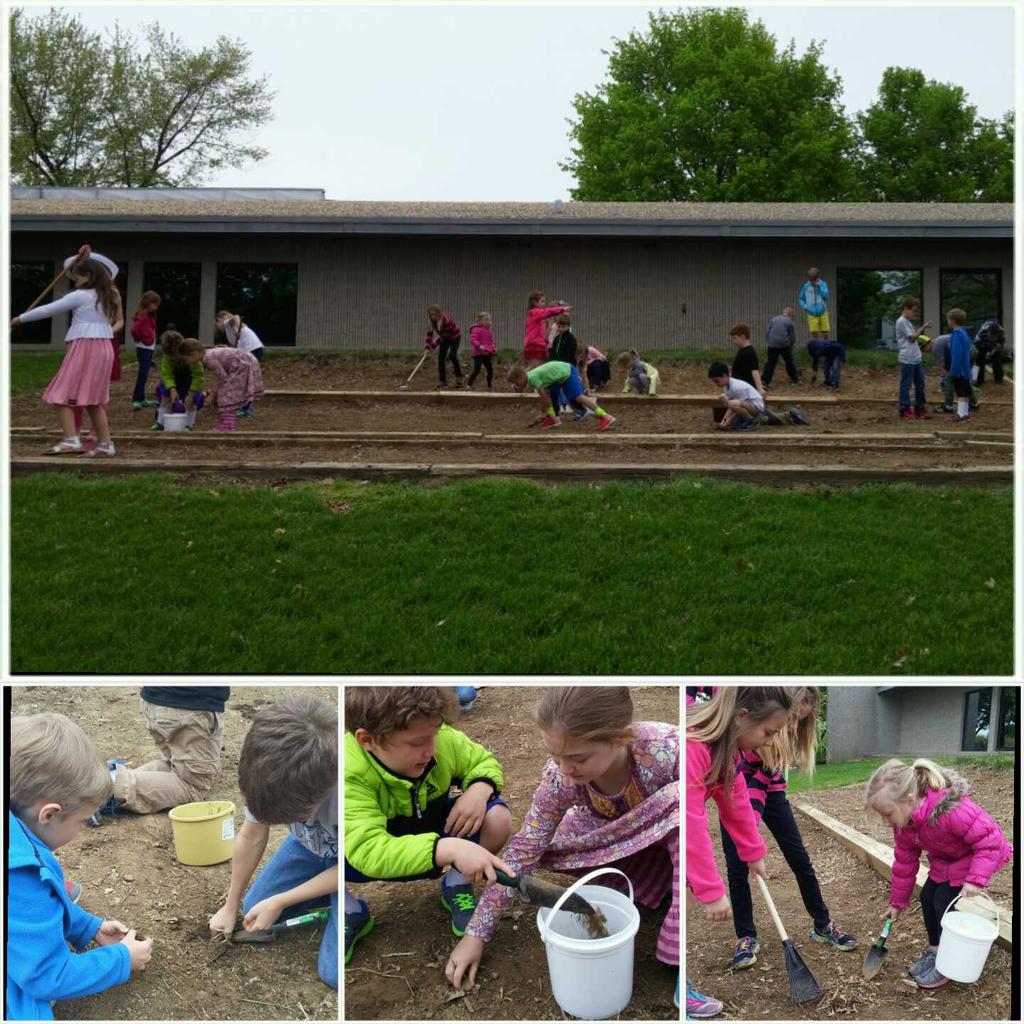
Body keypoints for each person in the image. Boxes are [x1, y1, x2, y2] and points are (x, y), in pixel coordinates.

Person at [449, 687, 680, 1008]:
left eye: (578, 758)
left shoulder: (666, 753)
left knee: (681, 808)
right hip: (622, 836)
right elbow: (524, 851)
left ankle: (679, 955)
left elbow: (697, 818)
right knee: (553, 845)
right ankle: (651, 885)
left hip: (674, 839)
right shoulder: (561, 778)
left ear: (620, 738)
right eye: (555, 756)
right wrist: (477, 933)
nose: (565, 768)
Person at [343, 687, 512, 964]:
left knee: (498, 818)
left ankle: (457, 884)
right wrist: (446, 849)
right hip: (371, 856)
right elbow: (368, 849)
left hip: (435, 826)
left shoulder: (439, 739)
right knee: (323, 848)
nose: (432, 749)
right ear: (368, 740)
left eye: (434, 735)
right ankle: (350, 911)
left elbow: (483, 761)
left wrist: (480, 789)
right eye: (416, 743)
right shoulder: (349, 771)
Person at [8, 712, 153, 1019]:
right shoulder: (21, 874)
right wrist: (121, 960)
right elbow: (46, 976)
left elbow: (20, 915)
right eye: (81, 821)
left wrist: (89, 927)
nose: (81, 830)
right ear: (48, 814)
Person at [721, 688, 857, 970]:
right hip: (734, 792)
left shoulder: (783, 736)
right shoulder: (752, 730)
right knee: (737, 866)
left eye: (801, 721)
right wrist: (748, 835)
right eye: (793, 718)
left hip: (771, 792)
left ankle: (823, 925)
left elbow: (766, 781)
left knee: (799, 858)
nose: (794, 726)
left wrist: (753, 830)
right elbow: (747, 786)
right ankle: (746, 936)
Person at [209, 695, 338, 989]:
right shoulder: (269, 773)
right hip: (307, 847)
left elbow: (353, 864)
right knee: (254, 907)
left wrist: (283, 900)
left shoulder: (347, 793)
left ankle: (350, 906)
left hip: (349, 864)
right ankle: (324, 899)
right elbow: (252, 835)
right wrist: (231, 906)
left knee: (333, 974)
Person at [685, 688, 789, 1022]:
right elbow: (690, 823)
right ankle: (680, 986)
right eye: (768, 732)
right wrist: (711, 891)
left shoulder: (728, 754)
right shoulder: (692, 749)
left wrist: (753, 851)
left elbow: (736, 800)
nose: (769, 741)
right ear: (742, 717)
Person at [865, 758, 1012, 990]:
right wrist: (897, 903)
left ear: (910, 800)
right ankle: (935, 950)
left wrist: (975, 878)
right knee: (927, 898)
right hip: (946, 861)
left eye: (887, 813)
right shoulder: (904, 825)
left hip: (973, 859)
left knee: (942, 902)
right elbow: (904, 863)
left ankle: (947, 963)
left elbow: (991, 841)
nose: (885, 821)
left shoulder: (952, 810)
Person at [10, 245, 121, 457]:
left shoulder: (81, 295)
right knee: (94, 400)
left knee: (60, 395)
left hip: (85, 347)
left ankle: (71, 439)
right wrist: (83, 259)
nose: (74, 281)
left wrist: (19, 319)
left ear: (88, 276)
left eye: (77, 278)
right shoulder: (108, 295)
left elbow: (48, 309)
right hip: (104, 348)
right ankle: (105, 444)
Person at [93, 687, 229, 820]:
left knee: (173, 767)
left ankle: (113, 780)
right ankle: (108, 787)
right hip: (189, 708)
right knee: (192, 786)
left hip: (155, 700)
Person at [178, 339, 265, 432]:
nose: (186, 362)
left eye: (185, 359)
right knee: (224, 392)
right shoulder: (207, 355)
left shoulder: (208, 359)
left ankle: (227, 425)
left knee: (227, 394)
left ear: (194, 353)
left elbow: (222, 378)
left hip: (242, 363)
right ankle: (226, 422)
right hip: (243, 361)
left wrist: (212, 395)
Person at [507, 362, 616, 431]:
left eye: (516, 383)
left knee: (577, 396)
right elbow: (545, 396)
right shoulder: (531, 377)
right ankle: (553, 419)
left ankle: (605, 416)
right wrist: (546, 412)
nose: (517, 386)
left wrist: (542, 413)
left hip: (566, 371)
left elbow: (543, 397)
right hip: (559, 375)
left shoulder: (532, 377)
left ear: (521, 377)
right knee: (552, 393)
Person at [152, 330, 205, 431]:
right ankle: (160, 422)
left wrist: (192, 393)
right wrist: (171, 388)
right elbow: (167, 374)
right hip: (173, 380)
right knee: (165, 397)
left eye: (176, 356)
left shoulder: (192, 356)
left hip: (190, 380)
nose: (174, 359)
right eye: (170, 357)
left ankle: (189, 424)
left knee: (192, 401)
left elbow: (198, 375)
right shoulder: (167, 356)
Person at [216, 310, 265, 416]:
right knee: (245, 379)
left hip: (251, 350)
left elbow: (236, 317)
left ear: (221, 319)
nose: (217, 325)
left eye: (217, 322)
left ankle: (246, 408)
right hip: (254, 349)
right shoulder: (229, 332)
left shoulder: (227, 323)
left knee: (244, 380)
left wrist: (238, 328)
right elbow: (236, 347)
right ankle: (244, 407)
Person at [895, 297, 932, 420]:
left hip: (916, 357)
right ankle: (904, 408)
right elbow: (912, 337)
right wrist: (923, 328)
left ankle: (919, 408)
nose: (914, 313)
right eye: (913, 310)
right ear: (906, 308)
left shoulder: (907, 321)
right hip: (907, 358)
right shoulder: (901, 321)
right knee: (906, 384)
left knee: (920, 384)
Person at [708, 361, 764, 431]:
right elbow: (732, 407)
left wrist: (729, 419)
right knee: (725, 399)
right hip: (747, 405)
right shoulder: (726, 387)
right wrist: (724, 421)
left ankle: (752, 421)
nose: (716, 384)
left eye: (717, 381)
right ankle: (746, 420)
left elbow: (736, 406)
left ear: (725, 376)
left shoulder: (736, 387)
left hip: (756, 406)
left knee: (731, 403)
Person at [130, 291, 162, 410]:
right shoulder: (143, 315)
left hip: (148, 347)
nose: (156, 307)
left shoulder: (148, 315)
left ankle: (141, 398)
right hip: (144, 347)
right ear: (148, 303)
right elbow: (134, 330)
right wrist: (142, 339)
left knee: (145, 374)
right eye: (155, 304)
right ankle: (136, 399)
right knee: (142, 374)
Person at [523, 291, 570, 369]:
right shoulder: (534, 312)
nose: (544, 304)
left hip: (538, 343)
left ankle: (526, 380)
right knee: (533, 367)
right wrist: (562, 309)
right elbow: (548, 312)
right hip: (534, 344)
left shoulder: (539, 316)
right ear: (535, 302)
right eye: (542, 301)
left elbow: (543, 331)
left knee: (537, 367)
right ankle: (521, 380)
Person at [945, 308, 975, 424]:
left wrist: (953, 370)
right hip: (966, 368)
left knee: (960, 393)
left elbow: (957, 354)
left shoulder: (956, 335)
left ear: (952, 321)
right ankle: (965, 413)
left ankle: (960, 414)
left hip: (959, 370)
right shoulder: (964, 333)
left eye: (948, 319)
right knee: (966, 392)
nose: (948, 322)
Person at [425, 305, 464, 388]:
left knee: (452, 356)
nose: (432, 317)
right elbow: (429, 335)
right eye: (431, 315)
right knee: (441, 358)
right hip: (445, 338)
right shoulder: (432, 322)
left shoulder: (446, 321)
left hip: (454, 337)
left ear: (439, 314)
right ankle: (443, 381)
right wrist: (427, 348)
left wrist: (433, 346)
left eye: (434, 314)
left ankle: (459, 378)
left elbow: (443, 336)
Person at [763, 307, 801, 387]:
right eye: (793, 317)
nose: (793, 319)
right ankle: (795, 378)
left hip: (772, 344)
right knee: (789, 361)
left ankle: (764, 381)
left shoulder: (774, 319)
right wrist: (790, 349)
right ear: (791, 315)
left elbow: (768, 332)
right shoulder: (789, 322)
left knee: (770, 363)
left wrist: (769, 342)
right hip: (784, 344)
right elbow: (792, 338)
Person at [729, 323, 765, 393]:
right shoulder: (742, 351)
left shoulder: (749, 352)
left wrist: (760, 388)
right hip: (740, 388)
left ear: (742, 337)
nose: (733, 342)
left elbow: (755, 371)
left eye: (734, 338)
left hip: (746, 389)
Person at [798, 267, 830, 340]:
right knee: (814, 335)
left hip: (822, 311)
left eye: (814, 279)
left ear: (817, 277)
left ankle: (826, 349)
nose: (812, 281)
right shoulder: (806, 286)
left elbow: (826, 296)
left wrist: (819, 287)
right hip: (811, 312)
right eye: (811, 279)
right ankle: (817, 350)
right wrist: (805, 306)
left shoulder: (823, 284)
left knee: (825, 334)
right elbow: (801, 299)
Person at [467, 311, 496, 389]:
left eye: (489, 320)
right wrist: (479, 346)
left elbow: (491, 341)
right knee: (477, 370)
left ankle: (489, 386)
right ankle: (469, 384)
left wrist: (493, 347)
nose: (488, 322)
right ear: (480, 321)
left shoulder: (488, 331)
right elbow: (473, 340)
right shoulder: (476, 329)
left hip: (486, 353)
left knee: (490, 370)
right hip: (478, 354)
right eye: (486, 320)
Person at [973, 318, 1006, 385]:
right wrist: (977, 353)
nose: (991, 339)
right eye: (990, 337)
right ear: (988, 333)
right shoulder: (982, 332)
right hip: (982, 343)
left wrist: (992, 352)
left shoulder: (1001, 332)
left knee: (997, 360)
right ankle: (978, 380)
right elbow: (976, 343)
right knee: (979, 361)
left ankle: (998, 379)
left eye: (993, 337)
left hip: (995, 345)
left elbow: (1001, 344)